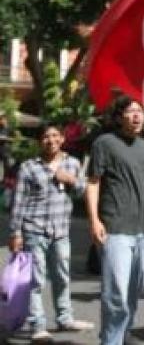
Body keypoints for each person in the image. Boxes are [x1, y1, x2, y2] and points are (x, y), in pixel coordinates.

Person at [85, 97, 144, 345]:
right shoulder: (105, 143)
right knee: (116, 294)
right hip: (115, 228)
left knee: (137, 290)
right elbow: (93, 183)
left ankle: (123, 333)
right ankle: (111, 341)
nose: (137, 116)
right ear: (118, 117)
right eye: (131, 111)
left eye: (140, 112)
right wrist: (94, 220)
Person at [8, 124, 94, 342]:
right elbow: (18, 202)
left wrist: (71, 179)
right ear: (40, 141)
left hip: (61, 230)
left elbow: (83, 190)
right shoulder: (29, 167)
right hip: (34, 229)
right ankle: (38, 325)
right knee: (36, 280)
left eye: (55, 136)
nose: (51, 140)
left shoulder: (72, 163)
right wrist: (15, 232)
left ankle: (65, 318)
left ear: (62, 139)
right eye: (46, 136)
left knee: (62, 277)